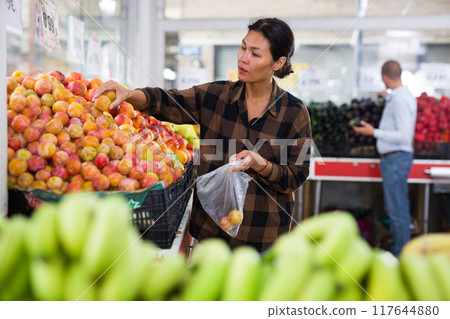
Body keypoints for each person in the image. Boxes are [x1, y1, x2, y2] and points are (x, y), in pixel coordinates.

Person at [94, 18, 312, 252]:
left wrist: (262, 164)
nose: (243, 58)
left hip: (262, 239)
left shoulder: (294, 113)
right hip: (210, 236)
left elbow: (296, 175)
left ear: (278, 63)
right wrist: (128, 94)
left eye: (255, 54)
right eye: (243, 47)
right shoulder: (217, 96)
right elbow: (167, 101)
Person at [353, 60, 417, 256]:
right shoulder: (401, 96)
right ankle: (400, 252)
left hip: (396, 159)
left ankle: (400, 255)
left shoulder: (399, 99)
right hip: (395, 159)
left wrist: (374, 132)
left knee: (398, 211)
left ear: (384, 78)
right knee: (396, 208)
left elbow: (404, 135)